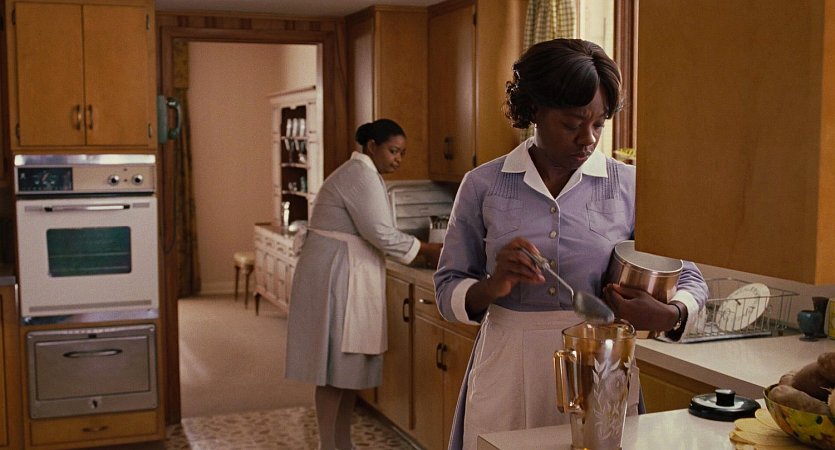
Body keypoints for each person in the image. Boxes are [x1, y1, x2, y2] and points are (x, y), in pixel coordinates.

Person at [433, 38, 710, 450]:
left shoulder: (630, 187)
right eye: (572, 123)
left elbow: (691, 277)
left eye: (599, 124)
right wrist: (492, 286)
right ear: (534, 110)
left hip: (600, 364)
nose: (588, 138)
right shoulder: (483, 185)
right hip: (508, 363)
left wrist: (670, 315)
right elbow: (447, 287)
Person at [285, 118, 443, 450]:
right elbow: (381, 233)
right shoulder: (360, 175)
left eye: (402, 153)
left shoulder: (364, 174)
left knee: (347, 371)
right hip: (338, 275)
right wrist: (429, 251)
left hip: (346, 269)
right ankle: (329, 445)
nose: (398, 159)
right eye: (393, 151)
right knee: (334, 371)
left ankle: (341, 443)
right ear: (372, 146)